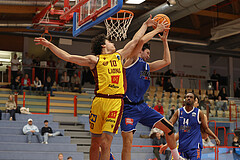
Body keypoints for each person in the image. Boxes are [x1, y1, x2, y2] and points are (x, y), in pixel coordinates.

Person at [34, 15, 155, 160]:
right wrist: (49, 45)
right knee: (95, 143)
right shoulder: (94, 60)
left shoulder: (119, 55)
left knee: (105, 143)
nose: (112, 43)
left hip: (115, 103)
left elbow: (135, 40)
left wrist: (145, 25)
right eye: (109, 41)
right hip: (99, 102)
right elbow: (68, 57)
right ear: (103, 45)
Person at [121, 21, 183, 160]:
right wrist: (156, 30)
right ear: (141, 51)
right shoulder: (132, 60)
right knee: (128, 143)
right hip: (128, 108)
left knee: (169, 128)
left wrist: (165, 41)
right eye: (147, 52)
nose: (148, 55)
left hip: (142, 106)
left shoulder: (148, 66)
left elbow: (167, 61)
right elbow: (141, 40)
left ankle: (177, 158)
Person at [160, 93, 220, 160]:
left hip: (194, 146)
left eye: (191, 98)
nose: (189, 98)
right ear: (184, 99)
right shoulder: (179, 112)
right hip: (183, 146)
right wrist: (168, 143)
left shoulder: (200, 114)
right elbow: (177, 131)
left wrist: (215, 137)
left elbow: (205, 133)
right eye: (187, 97)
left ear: (195, 102)